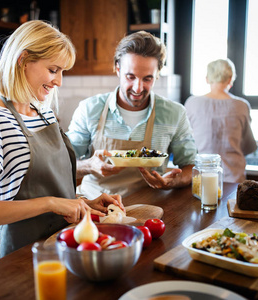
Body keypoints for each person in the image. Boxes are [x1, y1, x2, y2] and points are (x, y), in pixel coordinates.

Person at [0, 21, 123, 262]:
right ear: (23, 60)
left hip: (65, 247)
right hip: (19, 258)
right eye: (54, 70)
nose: (59, 82)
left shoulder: (45, 115)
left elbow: (52, 190)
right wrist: (51, 203)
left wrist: (84, 203)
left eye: (62, 72)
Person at [66, 31, 197, 200]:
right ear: (118, 69)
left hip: (151, 208)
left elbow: (191, 166)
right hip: (95, 206)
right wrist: (89, 165)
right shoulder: (89, 109)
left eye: (148, 79)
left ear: (157, 74)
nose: (138, 88)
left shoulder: (174, 114)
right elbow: (65, 164)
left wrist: (171, 182)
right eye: (131, 77)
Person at [184, 58, 258, 183]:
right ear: (230, 79)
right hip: (233, 178)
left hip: (202, 178)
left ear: (207, 78)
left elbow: (185, 141)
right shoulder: (241, 105)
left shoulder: (192, 103)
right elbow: (248, 146)